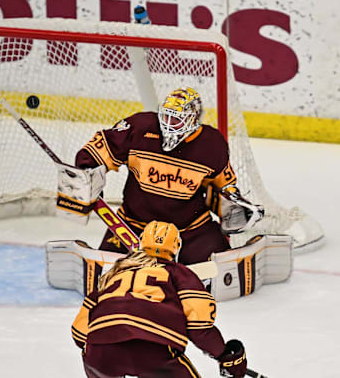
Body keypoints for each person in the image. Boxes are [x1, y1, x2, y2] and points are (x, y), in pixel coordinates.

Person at [70, 87, 262, 265]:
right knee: (108, 273)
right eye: (167, 116)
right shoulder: (139, 127)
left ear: (193, 118)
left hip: (190, 230)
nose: (169, 124)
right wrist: (87, 170)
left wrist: (233, 206)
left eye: (176, 119)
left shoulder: (211, 145)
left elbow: (220, 187)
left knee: (221, 270)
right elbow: (101, 148)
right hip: (133, 226)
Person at [71, 220, 248, 378]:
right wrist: (225, 355)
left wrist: (108, 346)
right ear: (176, 246)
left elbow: (79, 334)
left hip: (100, 353)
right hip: (153, 349)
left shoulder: (114, 274)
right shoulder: (179, 273)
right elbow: (198, 327)